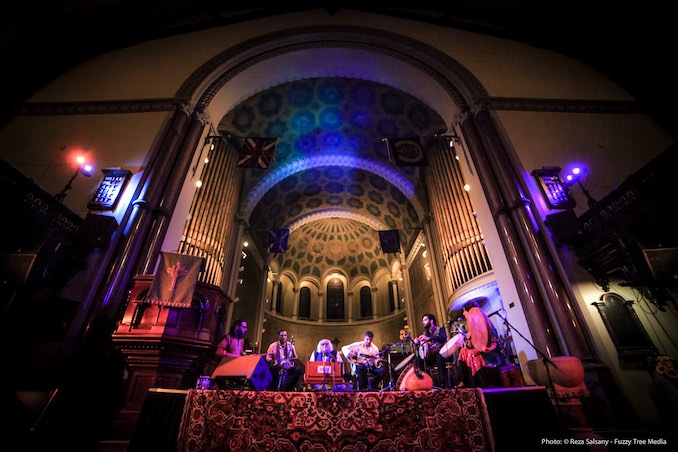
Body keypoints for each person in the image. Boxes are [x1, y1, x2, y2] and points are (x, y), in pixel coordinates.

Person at [456, 301, 503, 388]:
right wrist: (467, 337)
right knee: (463, 351)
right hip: (479, 350)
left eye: (464, 311)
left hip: (488, 352)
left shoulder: (483, 322)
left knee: (470, 354)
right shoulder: (471, 324)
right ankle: (462, 381)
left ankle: (475, 384)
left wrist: (488, 348)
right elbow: (470, 345)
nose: (463, 313)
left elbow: (494, 342)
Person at [413, 313, 448, 388]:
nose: (423, 322)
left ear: (431, 321)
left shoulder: (440, 329)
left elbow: (443, 338)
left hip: (441, 354)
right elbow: (423, 348)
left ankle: (443, 383)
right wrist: (416, 343)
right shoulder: (426, 333)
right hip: (430, 356)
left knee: (439, 357)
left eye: (425, 320)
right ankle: (425, 381)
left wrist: (429, 339)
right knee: (418, 359)